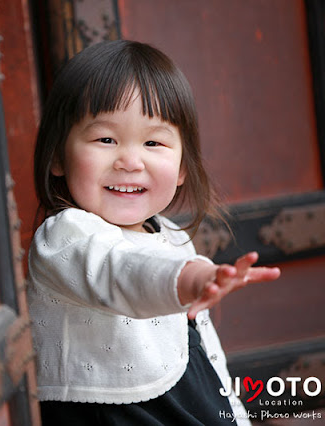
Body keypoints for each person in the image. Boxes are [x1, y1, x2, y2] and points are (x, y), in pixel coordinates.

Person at [28, 40, 281, 425]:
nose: (130, 161)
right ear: (59, 157)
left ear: (182, 168)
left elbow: (207, 356)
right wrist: (192, 276)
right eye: (106, 139)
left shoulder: (172, 234)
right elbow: (122, 271)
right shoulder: (65, 236)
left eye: (153, 142)